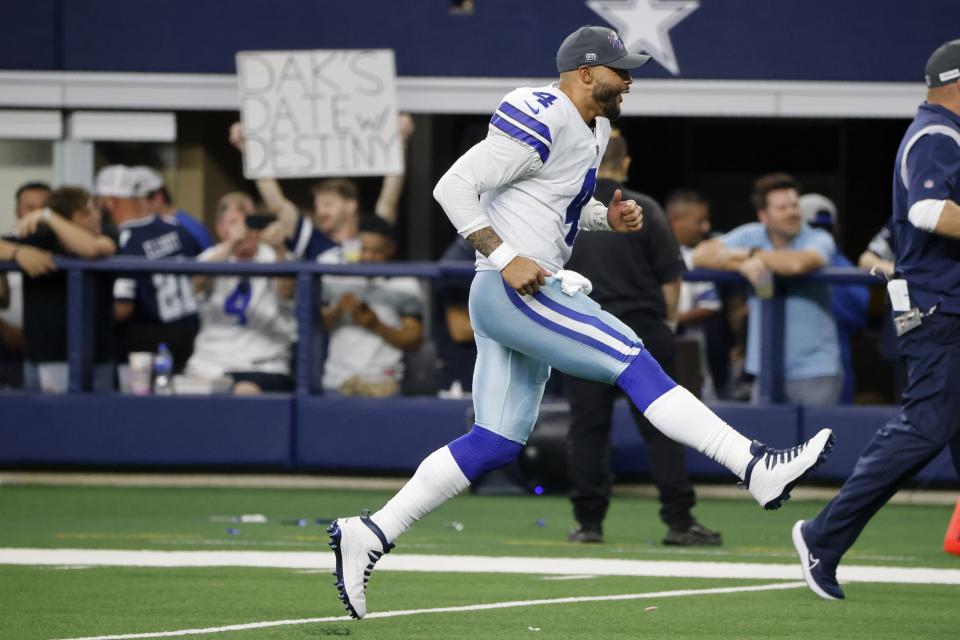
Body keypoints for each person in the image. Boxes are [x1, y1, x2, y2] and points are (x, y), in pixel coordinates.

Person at [326, 25, 834, 620]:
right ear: (585, 73)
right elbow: (453, 186)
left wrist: (603, 218)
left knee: (495, 441)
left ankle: (371, 530)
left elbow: (550, 199)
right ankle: (755, 465)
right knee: (635, 360)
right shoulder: (540, 111)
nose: (630, 80)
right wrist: (504, 254)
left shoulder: (594, 128)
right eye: (621, 69)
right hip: (517, 287)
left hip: (519, 287)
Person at [793, 39, 960, 601]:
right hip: (941, 306)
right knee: (926, 426)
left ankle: (824, 536)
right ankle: (822, 535)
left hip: (943, 303)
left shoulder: (939, 133)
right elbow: (928, 211)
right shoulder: (938, 134)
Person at [561, 134, 720, 546]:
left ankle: (589, 524)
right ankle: (680, 522)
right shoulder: (643, 208)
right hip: (641, 331)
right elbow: (672, 279)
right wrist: (667, 324)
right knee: (662, 427)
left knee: (587, 430)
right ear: (626, 164)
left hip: (584, 331)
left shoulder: (567, 209)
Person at [693, 173, 843, 405]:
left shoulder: (818, 237)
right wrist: (742, 265)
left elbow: (797, 264)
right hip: (765, 366)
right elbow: (700, 255)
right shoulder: (753, 234)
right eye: (782, 208)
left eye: (794, 205)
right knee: (766, 440)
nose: (792, 212)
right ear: (764, 215)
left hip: (814, 368)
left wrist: (751, 255)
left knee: (818, 440)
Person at [229, 115, 414, 263]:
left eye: (328, 204)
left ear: (351, 205)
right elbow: (278, 204)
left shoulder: (370, 238)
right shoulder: (312, 239)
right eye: (317, 205)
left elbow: (389, 200)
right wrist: (249, 151)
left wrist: (400, 143)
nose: (320, 211)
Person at [7, 187, 117, 392]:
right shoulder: (40, 238)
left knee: (100, 422)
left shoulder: (106, 232)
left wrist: (47, 215)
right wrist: (17, 252)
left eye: (95, 209)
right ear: (69, 219)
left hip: (97, 356)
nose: (97, 215)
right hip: (45, 357)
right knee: (43, 422)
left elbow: (91, 249)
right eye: (87, 213)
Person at [185, 194, 296, 394]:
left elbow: (287, 290)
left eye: (249, 222)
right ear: (220, 228)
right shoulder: (211, 257)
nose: (245, 230)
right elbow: (199, 281)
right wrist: (231, 245)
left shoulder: (278, 257)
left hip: (262, 366)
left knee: (244, 392)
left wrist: (280, 247)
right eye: (235, 223)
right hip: (209, 364)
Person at [105, 165, 202, 377]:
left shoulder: (125, 240)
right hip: (193, 332)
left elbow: (123, 308)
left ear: (111, 202)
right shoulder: (176, 228)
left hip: (148, 340)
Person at [320, 216, 424, 397]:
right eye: (363, 249)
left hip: (383, 385)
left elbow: (414, 341)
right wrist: (337, 310)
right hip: (337, 382)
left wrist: (376, 325)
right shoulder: (336, 277)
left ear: (390, 249)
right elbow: (312, 328)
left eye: (376, 251)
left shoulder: (405, 282)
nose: (368, 256)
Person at [798, 193, 870, 404]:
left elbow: (858, 322)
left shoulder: (845, 270)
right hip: (818, 365)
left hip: (828, 364)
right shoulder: (847, 268)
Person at [667, 189, 722, 400]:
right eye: (698, 221)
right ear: (676, 221)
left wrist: (670, 319)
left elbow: (711, 305)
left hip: (688, 349)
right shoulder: (642, 253)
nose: (705, 227)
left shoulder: (695, 258)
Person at [0, 181, 51, 388]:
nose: (35, 214)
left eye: (43, 208)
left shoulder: (66, 246)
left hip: (51, 349)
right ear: (17, 210)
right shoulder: (5, 244)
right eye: (29, 207)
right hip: (6, 346)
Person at [132, 165, 214, 251]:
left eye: (138, 203)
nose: (137, 209)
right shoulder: (144, 229)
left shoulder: (188, 228)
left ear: (157, 198)